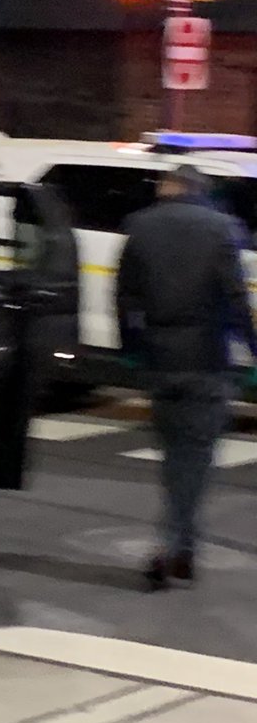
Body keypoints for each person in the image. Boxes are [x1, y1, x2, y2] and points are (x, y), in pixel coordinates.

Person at [117, 164, 257, 591]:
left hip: (161, 358)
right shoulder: (220, 229)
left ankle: (183, 552)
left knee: (175, 459)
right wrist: (253, 350)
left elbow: (124, 297)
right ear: (201, 191)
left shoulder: (140, 227)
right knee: (194, 462)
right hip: (205, 360)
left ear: (168, 189)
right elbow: (235, 298)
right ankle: (171, 546)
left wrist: (132, 352)